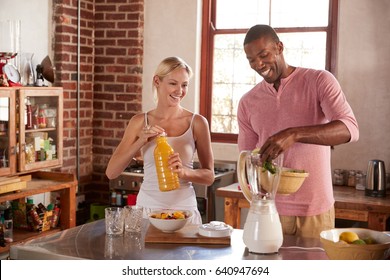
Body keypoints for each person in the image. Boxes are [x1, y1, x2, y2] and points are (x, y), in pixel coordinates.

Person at [237, 25, 359, 238]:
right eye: (251, 60)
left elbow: (349, 129)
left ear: (279, 47)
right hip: (269, 212)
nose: (258, 64)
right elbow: (246, 159)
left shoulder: (319, 81)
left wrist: (294, 134)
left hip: (316, 210)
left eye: (263, 55)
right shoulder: (248, 102)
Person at [106, 56, 215, 225]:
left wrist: (184, 173)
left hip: (185, 211)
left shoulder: (197, 122)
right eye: (173, 83)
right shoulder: (139, 122)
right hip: (148, 210)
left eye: (184, 84)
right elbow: (111, 172)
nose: (180, 90)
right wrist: (140, 140)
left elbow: (209, 176)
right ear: (157, 81)